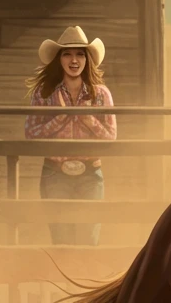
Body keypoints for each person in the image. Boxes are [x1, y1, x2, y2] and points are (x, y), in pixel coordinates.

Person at [24, 26, 116, 246]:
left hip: (90, 172)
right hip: (55, 172)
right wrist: (62, 117)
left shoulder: (100, 94)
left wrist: (88, 119)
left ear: (87, 59)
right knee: (60, 236)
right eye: (67, 53)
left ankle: (85, 277)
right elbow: (30, 133)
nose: (74, 60)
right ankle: (63, 279)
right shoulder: (44, 92)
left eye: (80, 54)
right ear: (60, 59)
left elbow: (111, 136)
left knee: (89, 238)